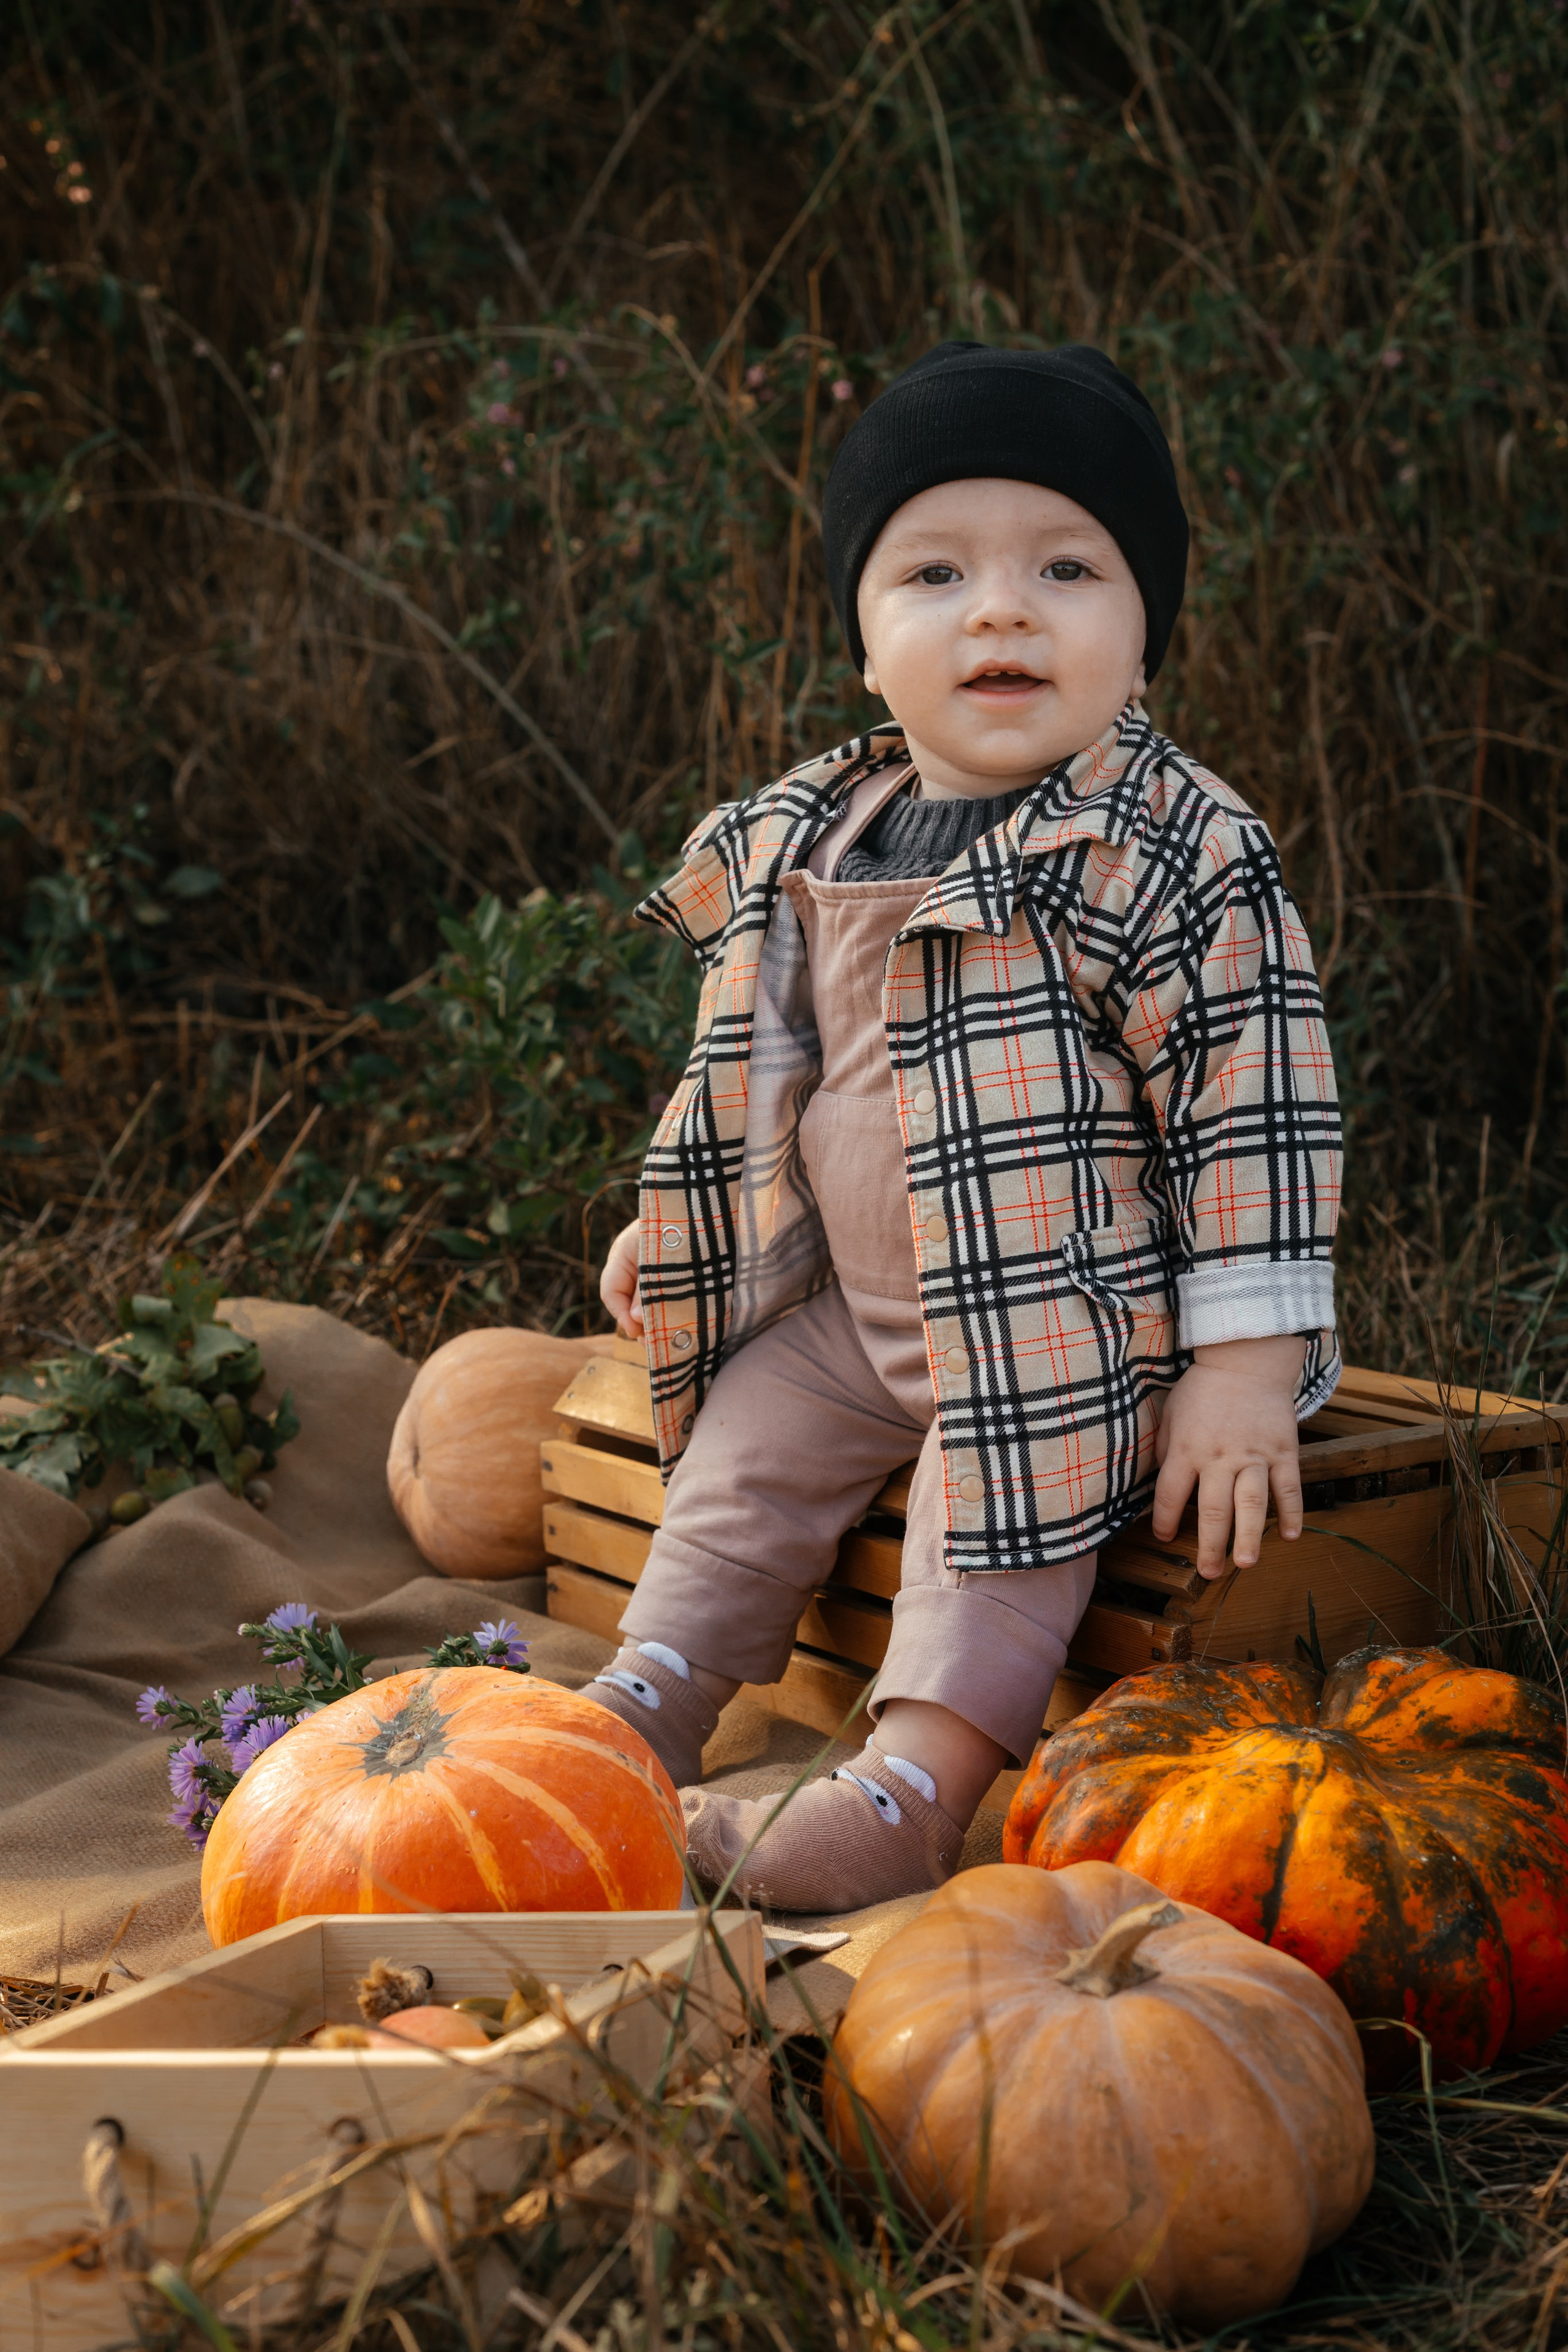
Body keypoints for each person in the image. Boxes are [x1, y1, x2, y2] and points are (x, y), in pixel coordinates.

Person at [585, 342, 1342, 1913]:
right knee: (738, 1458)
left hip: (1061, 1329)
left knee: (987, 1517)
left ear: (1144, 631)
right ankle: (638, 1708)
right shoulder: (809, 829)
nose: (999, 608)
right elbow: (750, 1061)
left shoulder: (1170, 848)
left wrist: (1242, 1371)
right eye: (933, 571)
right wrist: (674, 1232)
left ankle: (913, 1784)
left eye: (1065, 566)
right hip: (852, 1318)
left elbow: (1254, 1105)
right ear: (866, 642)